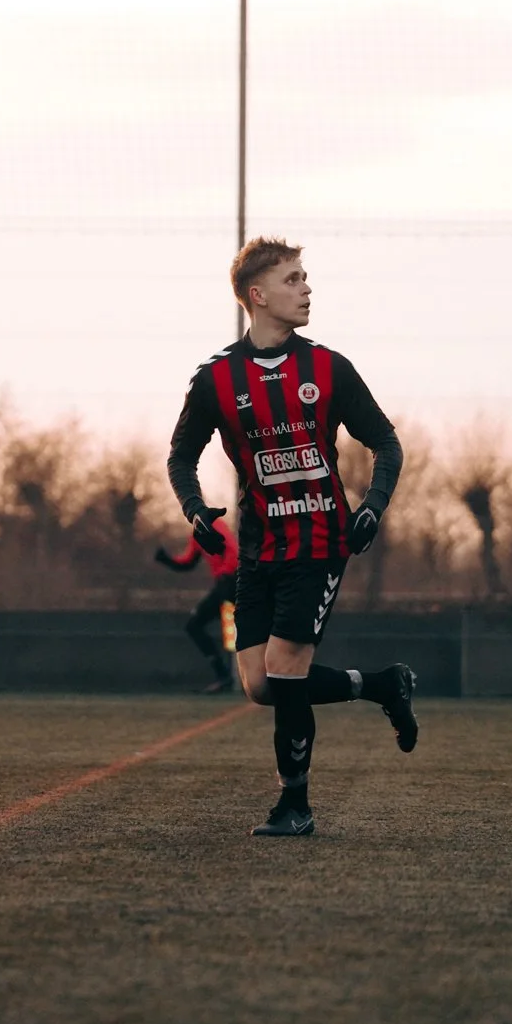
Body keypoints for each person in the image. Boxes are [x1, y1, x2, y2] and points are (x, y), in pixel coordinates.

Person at [167, 237, 417, 837]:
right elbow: (181, 456)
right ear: (257, 295)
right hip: (257, 549)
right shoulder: (215, 378)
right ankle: (382, 684)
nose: (307, 288)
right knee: (260, 687)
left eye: (306, 278)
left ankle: (295, 805)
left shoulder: (329, 367)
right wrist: (196, 510)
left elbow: (386, 443)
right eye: (293, 279)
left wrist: (372, 507)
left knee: (284, 671)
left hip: (320, 541)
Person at [155, 516, 240, 692]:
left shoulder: (215, 524)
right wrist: (167, 560)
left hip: (234, 581)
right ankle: (223, 676)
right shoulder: (196, 536)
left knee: (247, 626)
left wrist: (225, 574)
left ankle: (262, 674)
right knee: (194, 626)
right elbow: (188, 562)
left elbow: (233, 551)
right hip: (223, 584)